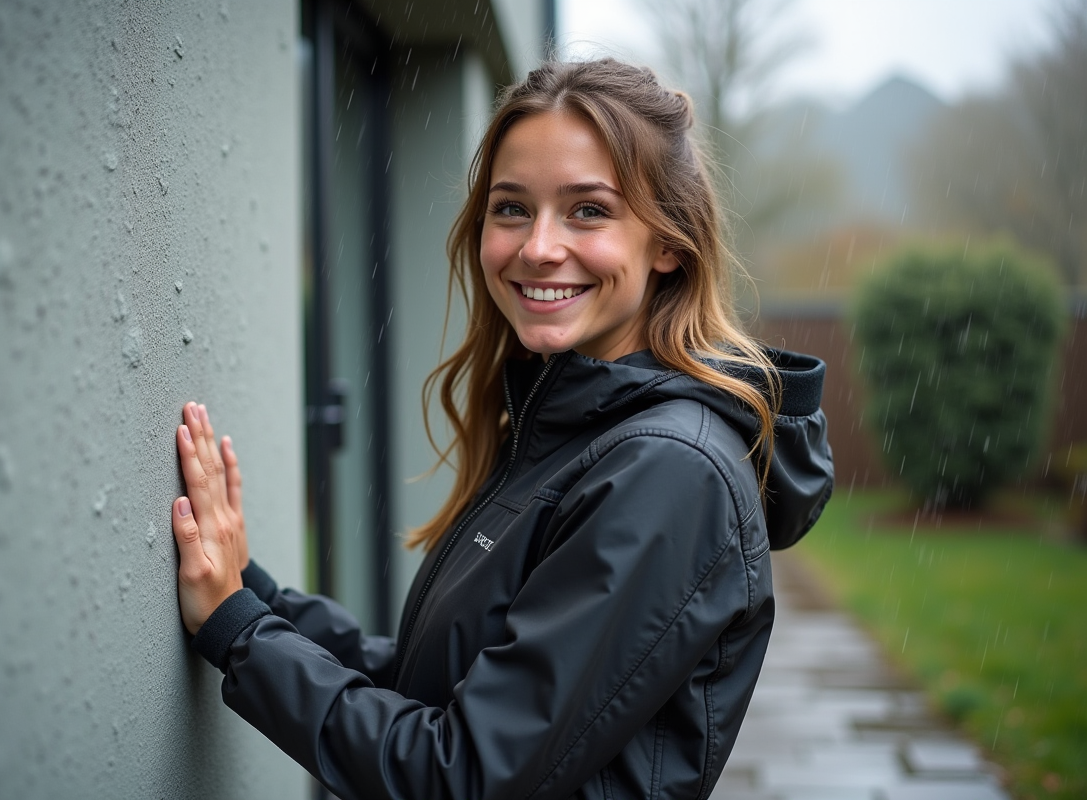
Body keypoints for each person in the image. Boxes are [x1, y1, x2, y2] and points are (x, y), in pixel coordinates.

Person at [169, 59, 833, 800]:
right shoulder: (570, 428)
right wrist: (246, 593)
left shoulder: (668, 471)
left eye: (588, 211)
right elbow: (429, 685)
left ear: (669, 243)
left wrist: (240, 634)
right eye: (512, 207)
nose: (537, 246)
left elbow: (463, 775)